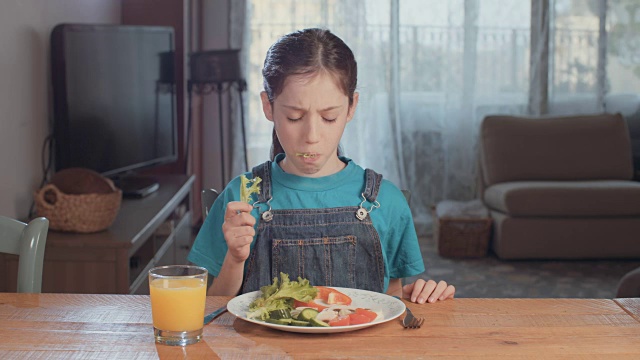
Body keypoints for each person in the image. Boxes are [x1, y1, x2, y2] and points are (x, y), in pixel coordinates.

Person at [188, 28, 455, 304]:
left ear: (351, 107)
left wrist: (419, 297)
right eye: (294, 117)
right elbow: (212, 306)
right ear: (268, 107)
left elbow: (390, 299)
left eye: (329, 117)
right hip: (262, 348)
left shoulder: (385, 200)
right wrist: (235, 258)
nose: (311, 136)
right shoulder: (242, 197)